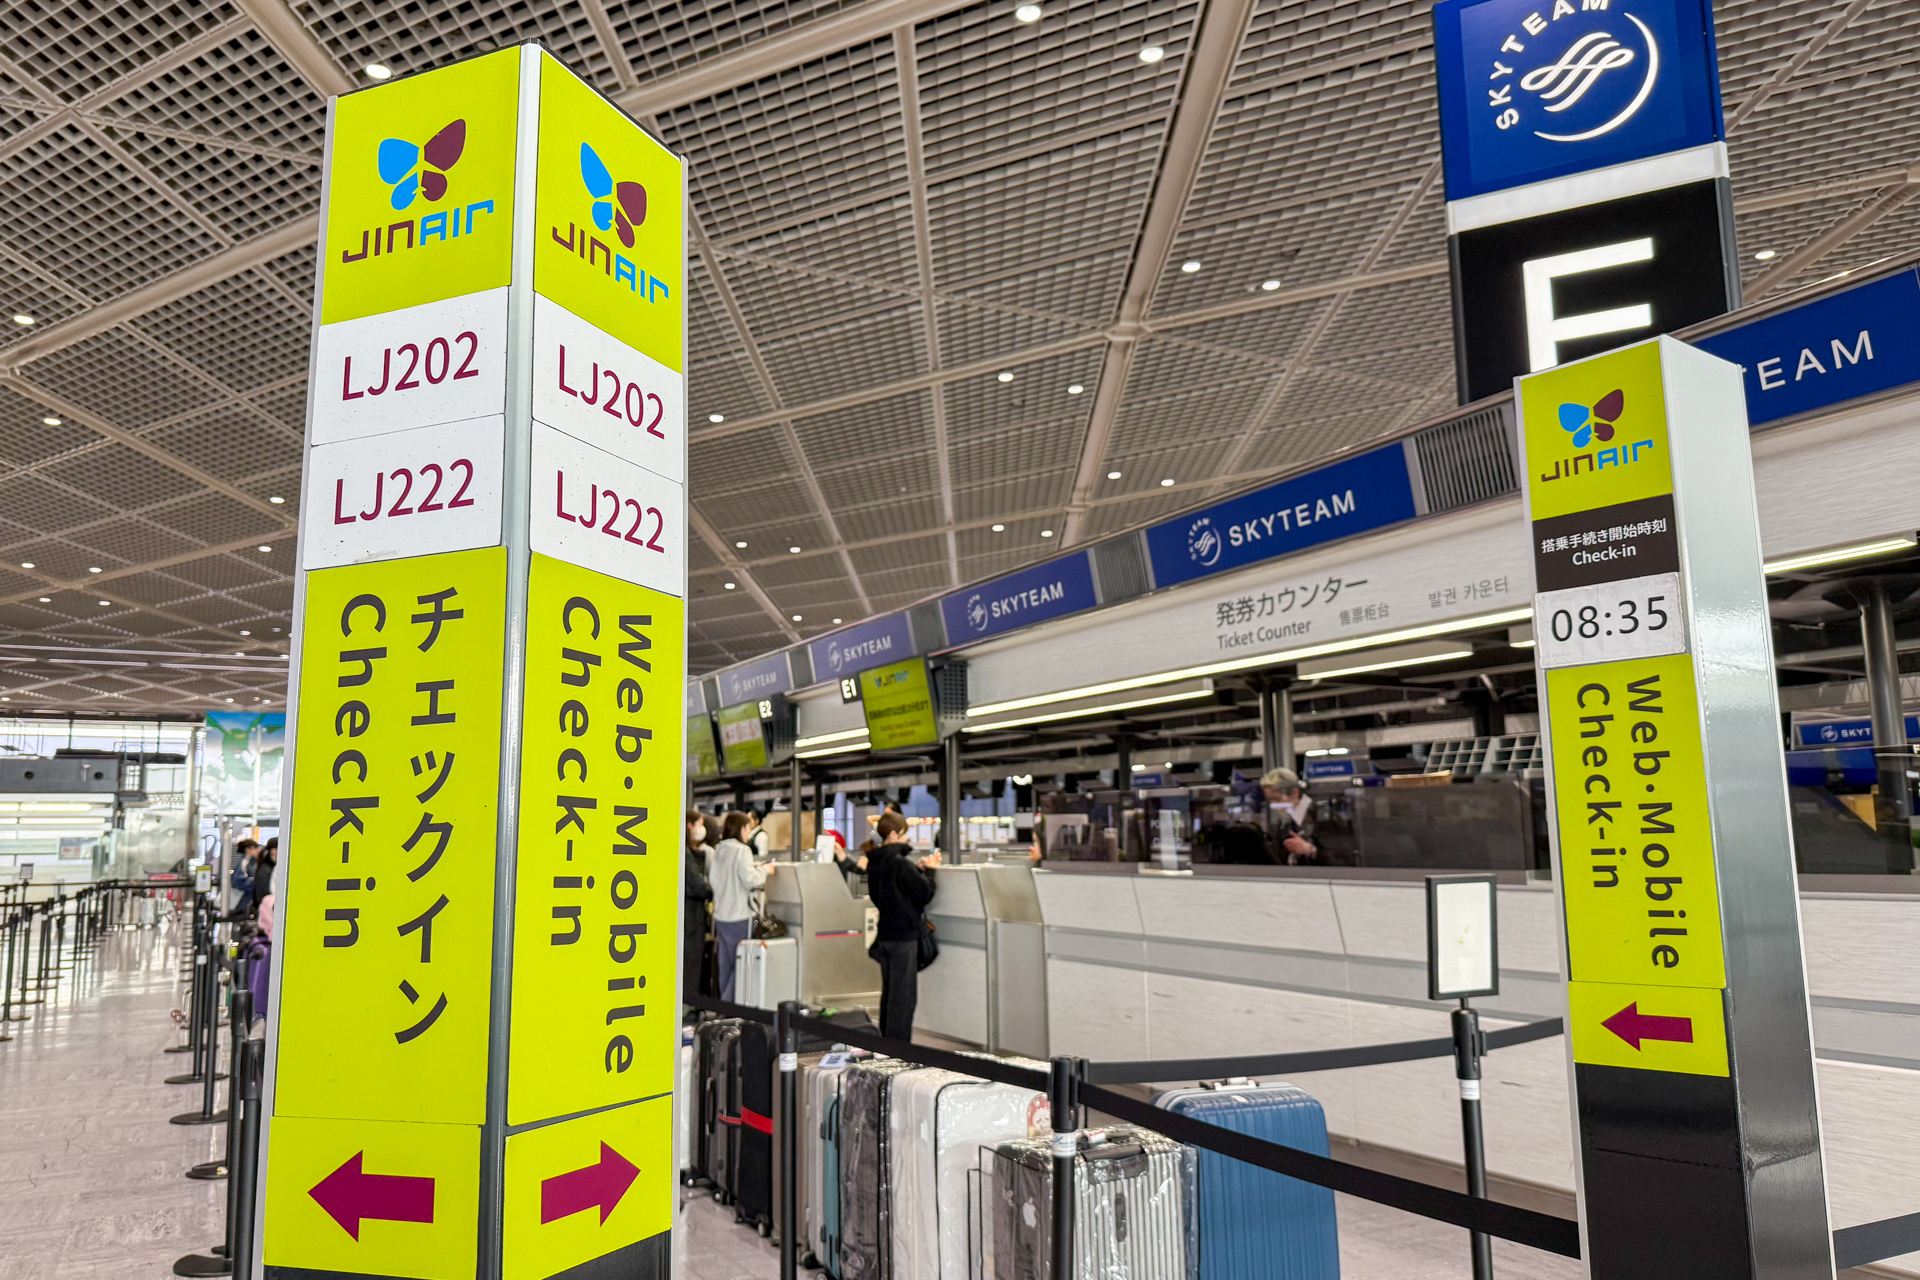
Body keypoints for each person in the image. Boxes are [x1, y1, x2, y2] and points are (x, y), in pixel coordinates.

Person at [864, 811, 940, 1040]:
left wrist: (916, 871)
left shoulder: (874, 862)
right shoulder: (899, 863)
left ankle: (886, 1049)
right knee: (903, 1000)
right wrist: (932, 870)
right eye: (906, 834)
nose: (908, 839)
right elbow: (924, 893)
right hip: (903, 939)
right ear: (895, 834)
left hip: (885, 936)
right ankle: (898, 1054)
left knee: (890, 996)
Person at [709, 811, 775, 1003]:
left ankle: (724, 1004)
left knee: (725, 962)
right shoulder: (741, 850)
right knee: (740, 965)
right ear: (742, 828)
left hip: (721, 915)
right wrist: (764, 870)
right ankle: (732, 1005)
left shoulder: (719, 849)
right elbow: (750, 880)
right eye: (748, 828)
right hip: (739, 916)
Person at [684, 812, 714, 1004]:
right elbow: (697, 885)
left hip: (687, 916)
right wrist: (712, 891)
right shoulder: (686, 852)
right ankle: (688, 1006)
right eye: (698, 824)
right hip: (690, 918)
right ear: (689, 825)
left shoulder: (687, 850)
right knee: (690, 964)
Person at [1260, 767, 1318, 863]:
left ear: (1295, 793)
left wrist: (1310, 850)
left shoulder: (1321, 817)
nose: (1273, 806)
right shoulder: (1286, 824)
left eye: (1277, 799)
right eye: (1270, 800)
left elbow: (1340, 856)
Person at [247, 841, 278, 917]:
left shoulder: (265, 867)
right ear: (273, 851)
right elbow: (264, 896)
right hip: (266, 913)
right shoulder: (267, 871)